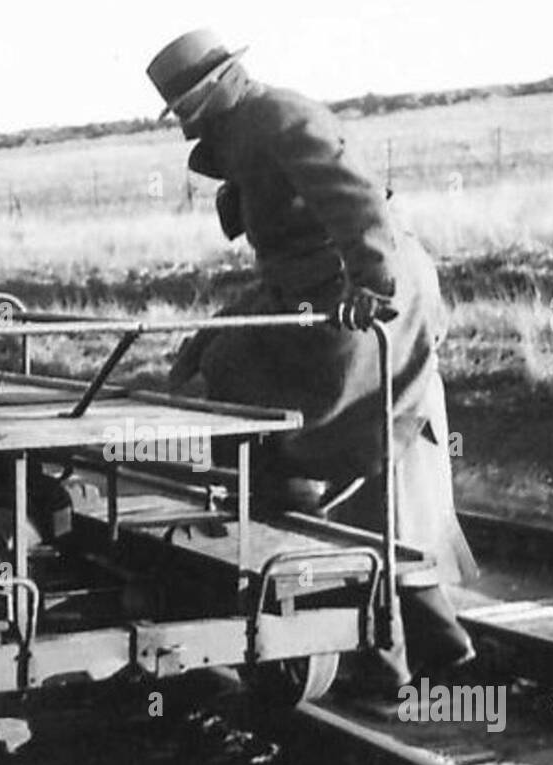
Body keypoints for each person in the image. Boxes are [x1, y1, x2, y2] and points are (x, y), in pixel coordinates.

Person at [146, 31, 477, 692]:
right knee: (216, 365)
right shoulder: (246, 128)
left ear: (215, 88)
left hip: (364, 300)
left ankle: (369, 644)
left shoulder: (281, 117)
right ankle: (425, 636)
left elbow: (355, 199)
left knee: (281, 425)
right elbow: (288, 247)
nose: (185, 122)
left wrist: (372, 285)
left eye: (186, 106)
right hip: (316, 291)